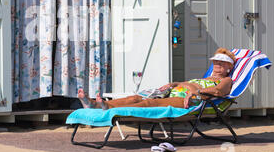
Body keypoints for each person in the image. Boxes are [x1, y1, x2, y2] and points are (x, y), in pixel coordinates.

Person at [78, 47, 236, 110]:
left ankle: (111, 110)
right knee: (136, 97)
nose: (217, 65)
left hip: (189, 101)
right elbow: (186, 84)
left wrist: (195, 92)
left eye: (222, 63)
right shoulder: (206, 77)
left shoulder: (226, 80)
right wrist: (173, 84)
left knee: (149, 103)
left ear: (229, 67)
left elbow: (218, 91)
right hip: (175, 92)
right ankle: (97, 105)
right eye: (216, 62)